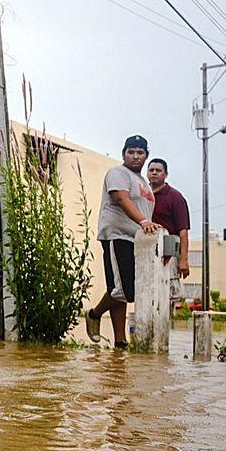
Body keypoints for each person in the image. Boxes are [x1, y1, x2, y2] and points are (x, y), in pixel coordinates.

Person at [85, 135, 160, 348]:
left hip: (135, 240)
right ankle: (94, 313)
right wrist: (143, 221)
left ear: (146, 155)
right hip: (117, 235)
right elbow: (121, 198)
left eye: (140, 152)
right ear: (123, 153)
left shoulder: (143, 181)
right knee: (124, 289)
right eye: (131, 151)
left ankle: (120, 342)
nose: (136, 156)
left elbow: (145, 209)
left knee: (121, 290)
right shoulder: (118, 173)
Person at [147, 158, 190, 279]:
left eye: (158, 170)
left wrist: (184, 259)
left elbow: (183, 231)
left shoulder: (175, 197)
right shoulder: (141, 193)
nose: (154, 173)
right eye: (151, 170)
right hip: (145, 252)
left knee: (170, 293)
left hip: (168, 255)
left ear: (166, 174)